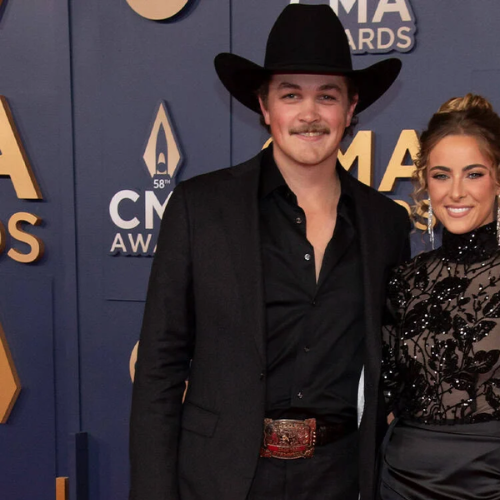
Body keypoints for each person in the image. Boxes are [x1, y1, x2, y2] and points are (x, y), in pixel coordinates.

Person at [129, 5, 410, 500]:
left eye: (327, 96)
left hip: (339, 480)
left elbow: (398, 358)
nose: (309, 114)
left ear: (350, 109)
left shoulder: (385, 223)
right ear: (264, 107)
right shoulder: (200, 208)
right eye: (290, 95)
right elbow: (160, 367)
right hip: (220, 480)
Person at [380, 94, 500, 500]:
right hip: (401, 482)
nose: (455, 192)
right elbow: (381, 396)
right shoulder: (405, 278)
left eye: (473, 174)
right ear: (424, 182)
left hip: (490, 485)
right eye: (440, 175)